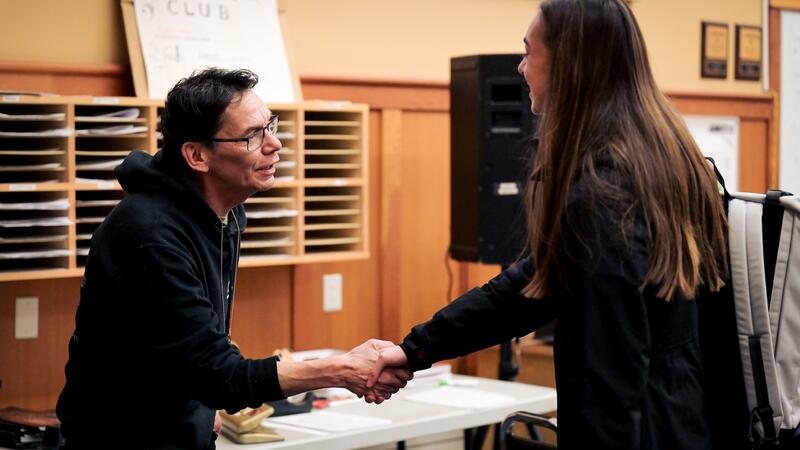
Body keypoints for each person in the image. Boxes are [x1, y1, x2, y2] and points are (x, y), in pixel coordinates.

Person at [369, 1, 729, 448]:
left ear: (568, 62)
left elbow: (609, 380)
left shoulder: (602, 196)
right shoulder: (669, 160)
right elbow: (530, 286)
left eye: (528, 52)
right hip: (683, 419)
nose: (521, 68)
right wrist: (417, 348)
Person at [56, 68, 409, 449]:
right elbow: (214, 373)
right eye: (252, 136)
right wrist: (341, 369)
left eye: (270, 126)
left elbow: (195, 348)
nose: (274, 144)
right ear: (197, 155)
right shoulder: (151, 235)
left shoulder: (225, 212)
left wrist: (202, 406)